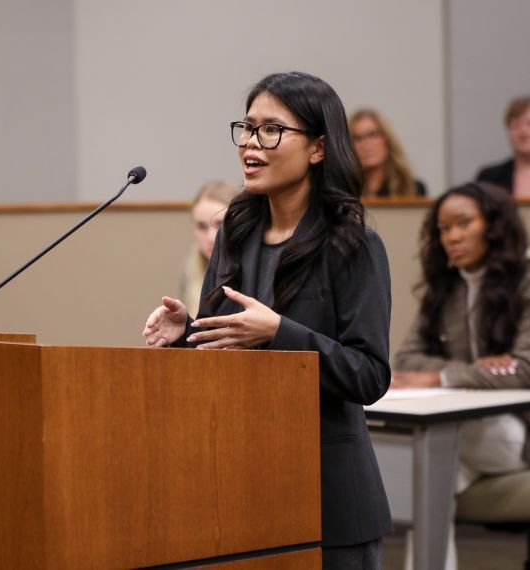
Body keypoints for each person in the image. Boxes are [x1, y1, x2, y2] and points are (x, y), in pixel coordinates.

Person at [142, 71, 393, 569]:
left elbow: (370, 374)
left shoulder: (354, 245)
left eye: (272, 130)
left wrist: (281, 333)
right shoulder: (235, 236)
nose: (251, 144)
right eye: (247, 128)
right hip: (244, 490)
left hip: (329, 499)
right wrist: (186, 332)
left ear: (318, 148)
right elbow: (222, 361)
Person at [392, 182, 530, 568]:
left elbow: (526, 370)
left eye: (463, 223)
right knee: (427, 487)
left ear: (495, 226)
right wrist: (469, 372)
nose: (452, 236)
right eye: (444, 229)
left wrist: (440, 378)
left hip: (525, 430)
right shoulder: (444, 288)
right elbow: (407, 361)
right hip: (464, 433)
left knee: (424, 457)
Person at [181, 181, 239, 310]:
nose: (211, 238)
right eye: (202, 227)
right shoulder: (192, 270)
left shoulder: (255, 270)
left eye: (220, 225)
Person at [349, 108, 427, 198]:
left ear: (387, 139)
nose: (365, 144)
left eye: (372, 135)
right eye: (357, 138)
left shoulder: (413, 189)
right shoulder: (344, 190)